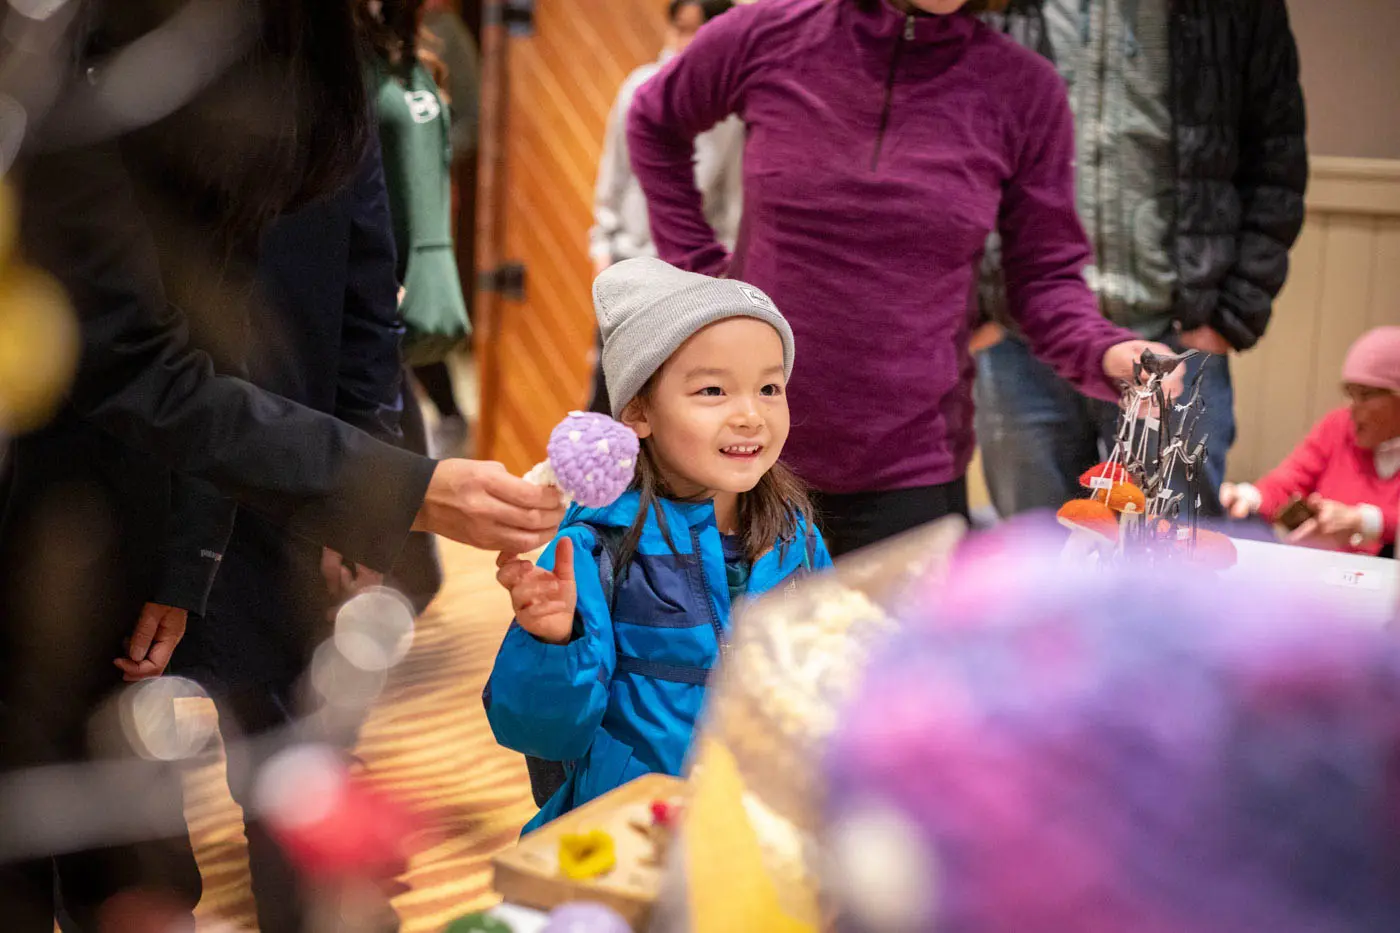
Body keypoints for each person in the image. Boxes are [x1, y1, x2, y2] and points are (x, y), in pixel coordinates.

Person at [2, 4, 562, 927]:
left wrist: (371, 493)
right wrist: (400, 490)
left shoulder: (322, 91)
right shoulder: (85, 105)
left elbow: (348, 320)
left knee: (285, 767)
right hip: (121, 496)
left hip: (264, 481)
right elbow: (155, 372)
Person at [626, 0, 1181, 557]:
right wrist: (701, 278)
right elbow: (653, 120)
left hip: (909, 472)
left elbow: (1043, 275)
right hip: (741, 456)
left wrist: (1104, 350)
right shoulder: (767, 33)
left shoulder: (1023, 88)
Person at [485, 258, 832, 831]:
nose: (751, 415)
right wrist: (551, 641)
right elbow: (540, 733)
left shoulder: (795, 533)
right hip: (638, 830)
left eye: (770, 388)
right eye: (713, 390)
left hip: (764, 824)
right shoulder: (595, 548)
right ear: (638, 411)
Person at [973, 0, 1308, 519]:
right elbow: (958, 151)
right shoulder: (1002, 6)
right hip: (1022, 340)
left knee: (1173, 554)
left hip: (1174, 342)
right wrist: (983, 305)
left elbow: (1276, 162)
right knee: (1032, 554)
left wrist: (1228, 316)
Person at [585, 0, 742, 416]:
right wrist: (602, 254)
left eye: (698, 31)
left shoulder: (731, 110)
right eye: (680, 28)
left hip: (692, 281)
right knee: (608, 405)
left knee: (674, 410)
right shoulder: (640, 87)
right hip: (630, 268)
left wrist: (720, 281)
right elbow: (613, 178)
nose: (685, 42)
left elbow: (731, 207)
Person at [361, 0, 474, 458]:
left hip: (417, 250)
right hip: (369, 267)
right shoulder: (344, 55)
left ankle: (449, 419)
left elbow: (465, 125)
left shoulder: (419, 49)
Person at [1220, 327, 1400, 558]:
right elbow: (1289, 480)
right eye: (1350, 394)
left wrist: (1364, 521)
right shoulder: (1338, 425)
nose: (1353, 408)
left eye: (1365, 395)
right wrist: (1247, 497)